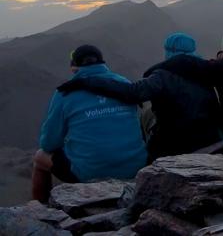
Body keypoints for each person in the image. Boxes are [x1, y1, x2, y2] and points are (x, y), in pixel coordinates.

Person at [59, 34, 223, 161]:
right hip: (210, 140)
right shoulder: (209, 70)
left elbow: (132, 93)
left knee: (147, 116)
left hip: (173, 146)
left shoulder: (162, 77)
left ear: (169, 51)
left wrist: (87, 81)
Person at [32, 45, 147, 202]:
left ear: (74, 67)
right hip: (136, 166)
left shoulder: (65, 93)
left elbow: (49, 143)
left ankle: (40, 210)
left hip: (91, 172)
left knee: (40, 157)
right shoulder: (124, 83)